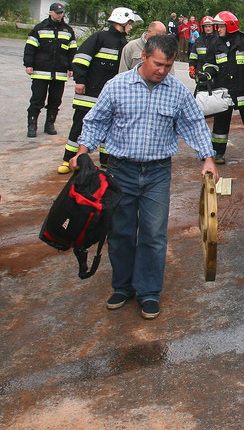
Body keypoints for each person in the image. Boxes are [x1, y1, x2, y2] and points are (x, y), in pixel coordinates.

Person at [69, 34, 218, 320]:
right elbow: (95, 121)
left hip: (157, 173)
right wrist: (82, 151)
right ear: (145, 57)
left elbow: (195, 125)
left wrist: (208, 158)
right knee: (120, 232)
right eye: (158, 64)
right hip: (119, 171)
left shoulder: (176, 91)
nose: (162, 70)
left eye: (168, 65)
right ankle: (123, 286)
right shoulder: (117, 86)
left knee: (153, 234)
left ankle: (149, 292)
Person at [60, 7, 140, 174]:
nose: (131, 27)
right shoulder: (100, 38)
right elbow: (80, 59)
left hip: (110, 96)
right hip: (89, 93)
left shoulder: (125, 44)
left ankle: (106, 161)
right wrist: (80, 81)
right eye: (130, 24)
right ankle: (69, 159)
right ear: (122, 22)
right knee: (79, 126)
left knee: (110, 129)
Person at [198, 10, 244, 164]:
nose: (218, 29)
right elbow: (210, 64)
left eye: (220, 26)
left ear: (230, 26)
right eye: (217, 27)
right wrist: (207, 75)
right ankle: (218, 153)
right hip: (225, 92)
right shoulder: (215, 45)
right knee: (220, 123)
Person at [23, 2, 76, 137]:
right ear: (50, 13)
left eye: (61, 12)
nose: (60, 15)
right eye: (57, 12)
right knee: (37, 100)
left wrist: (72, 67)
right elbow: (30, 48)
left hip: (59, 73)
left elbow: (72, 51)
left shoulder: (68, 30)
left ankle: (50, 124)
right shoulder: (40, 28)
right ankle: (32, 125)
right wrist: (28, 64)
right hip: (41, 72)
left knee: (55, 100)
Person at [189, 16, 216, 82]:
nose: (208, 28)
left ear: (213, 27)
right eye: (206, 27)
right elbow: (193, 56)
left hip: (214, 75)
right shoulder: (198, 41)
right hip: (200, 73)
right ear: (203, 28)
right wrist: (192, 68)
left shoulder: (218, 40)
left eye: (209, 26)